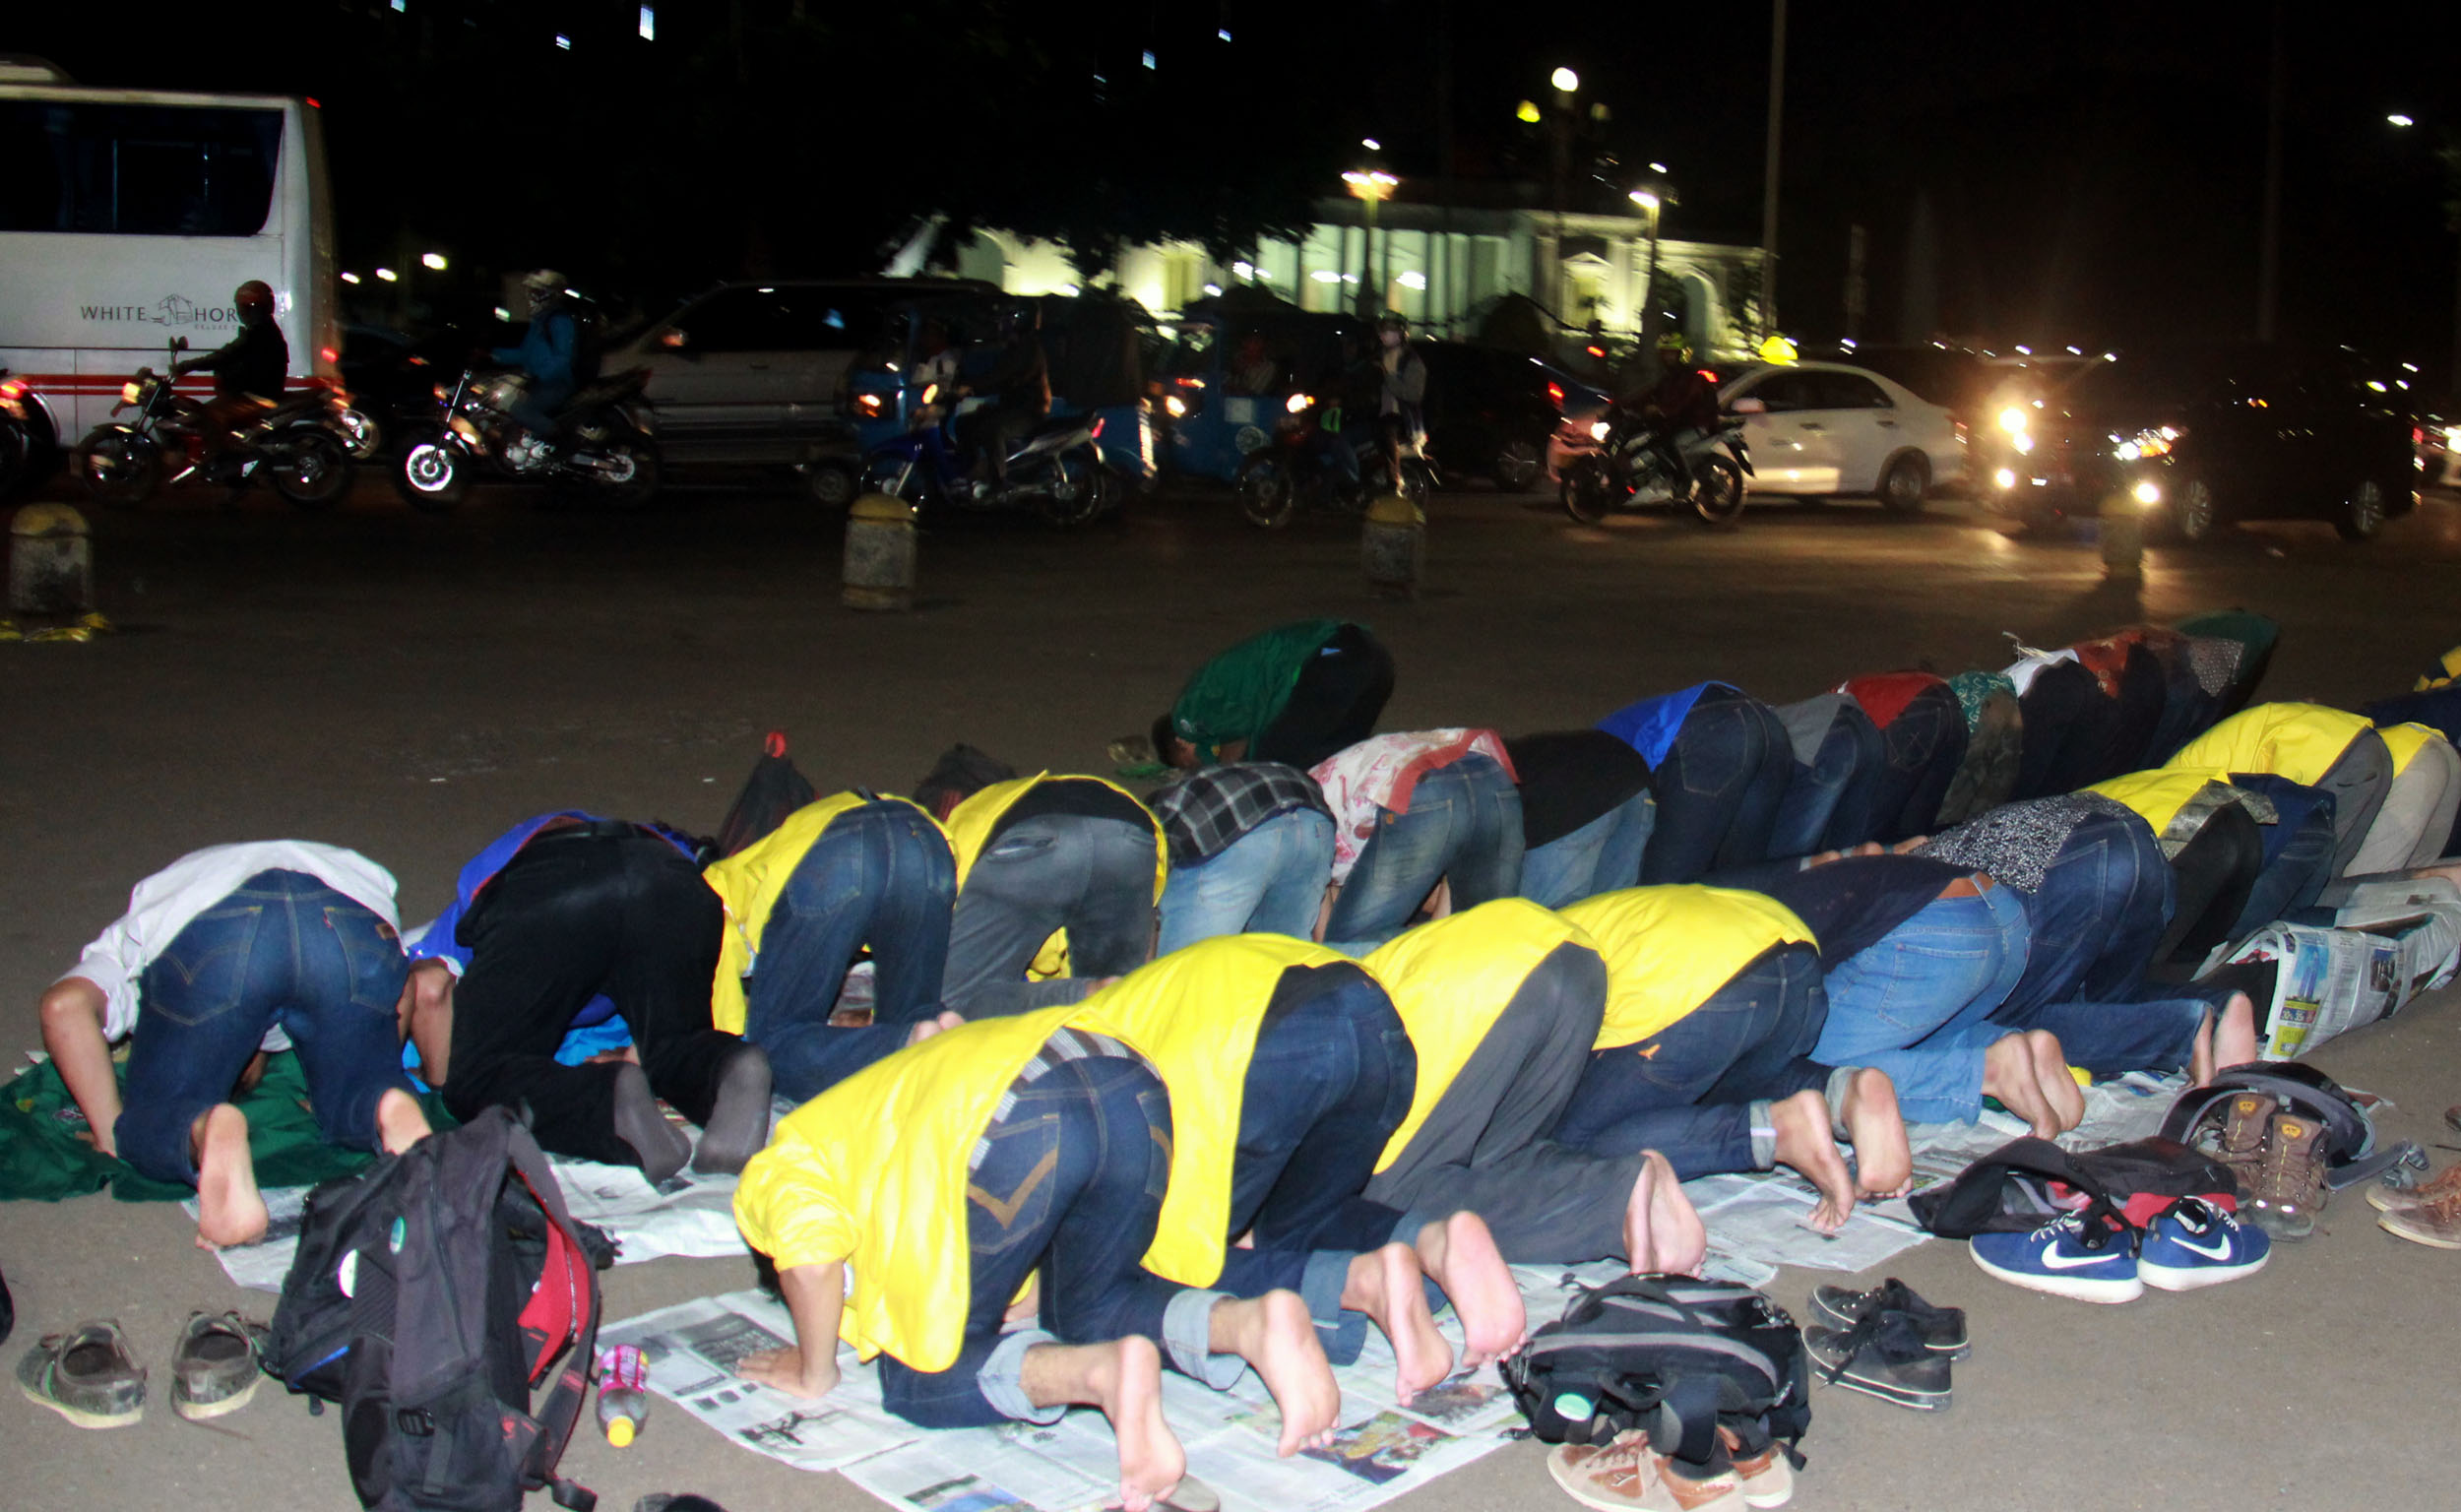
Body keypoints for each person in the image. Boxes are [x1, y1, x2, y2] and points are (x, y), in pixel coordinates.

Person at [731, 1013, 1352, 1512]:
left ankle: (1100, 1374)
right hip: (1125, 1075)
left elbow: (810, 1267)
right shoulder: (871, 1117)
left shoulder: (784, 1159)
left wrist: (813, 1371)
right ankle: (1247, 1323)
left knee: (916, 1376)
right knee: (1091, 1304)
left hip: (1021, 1112)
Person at [37, 842, 431, 1249]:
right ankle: (384, 1104)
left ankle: (206, 1127)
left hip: (219, 923)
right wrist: (375, 1067)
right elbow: (401, 988)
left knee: (161, 1111)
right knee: (361, 1091)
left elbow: (63, 1006)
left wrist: (113, 1134)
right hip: (350, 916)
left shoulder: (135, 943)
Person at [400, 813, 772, 1180]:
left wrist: (441, 1088)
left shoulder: (467, 912)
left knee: (479, 1077)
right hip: (673, 880)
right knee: (674, 1045)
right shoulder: (647, 843)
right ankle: (727, 1068)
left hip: (550, 889)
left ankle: (606, 1109)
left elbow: (429, 987)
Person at [1359, 900, 1707, 1271]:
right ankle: (1633, 1193)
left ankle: (1610, 1202)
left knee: (1388, 1203)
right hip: (1573, 956)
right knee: (1502, 1159)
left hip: (1489, 986)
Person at [1549, 883, 1905, 1231]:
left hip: (1691, 981)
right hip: (1793, 955)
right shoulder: (1559, 922)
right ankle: (1843, 1092)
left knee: (1566, 1155)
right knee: (1720, 1080)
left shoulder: (1524, 954)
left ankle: (1771, 1132)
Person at [700, 791, 959, 1102]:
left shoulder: (712, 886)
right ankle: (939, 1032)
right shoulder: (769, 847)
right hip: (924, 838)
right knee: (915, 1017)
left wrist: (724, 1045)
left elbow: (714, 956)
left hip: (844, 851)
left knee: (775, 1041)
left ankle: (901, 1042)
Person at [919, 754, 1165, 1018]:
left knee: (955, 1004)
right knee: (1116, 1005)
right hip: (1130, 828)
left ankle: (1087, 994)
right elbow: (1149, 922)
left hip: (1033, 838)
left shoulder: (953, 827)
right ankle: (1102, 991)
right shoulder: (1021, 793)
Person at [1314, 729, 1525, 954]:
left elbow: (1323, 949)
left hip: (1417, 785)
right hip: (1491, 777)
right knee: (1479, 933)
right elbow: (1449, 895)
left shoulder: (1309, 816)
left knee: (1348, 947)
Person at [1599, 684, 1794, 882]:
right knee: (1735, 887)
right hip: (1772, 729)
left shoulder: (1595, 751)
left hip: (1714, 730)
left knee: (1665, 888)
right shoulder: (1624, 725)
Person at [1153, 617, 1396, 773]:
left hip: (1333, 656)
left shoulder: (1188, 715)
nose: (1192, 770)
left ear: (1181, 745)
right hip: (1374, 660)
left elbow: (1240, 737)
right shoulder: (1221, 705)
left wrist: (1225, 773)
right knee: (1338, 761)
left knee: (1270, 768)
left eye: (1185, 766)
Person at [1149, 762, 1337, 953]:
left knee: (1190, 961)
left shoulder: (1152, 820)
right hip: (1312, 815)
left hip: (1240, 825)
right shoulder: (1201, 785)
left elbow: (1146, 909)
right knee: (1280, 956)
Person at [1505, 729, 1658, 909]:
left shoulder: (1483, 772)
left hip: (1572, 796)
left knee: (1549, 916)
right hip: (1637, 785)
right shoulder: (1514, 753)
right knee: (1610, 910)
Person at [171, 280, 288, 464]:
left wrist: (187, 366)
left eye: (246, 308)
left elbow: (225, 355)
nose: (243, 312)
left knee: (210, 414)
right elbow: (229, 356)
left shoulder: (259, 333)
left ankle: (219, 461)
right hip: (256, 392)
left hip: (256, 395)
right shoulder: (263, 330)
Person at [960, 302, 1051, 484]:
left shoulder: (1027, 348)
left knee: (993, 429)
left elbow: (999, 375)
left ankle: (998, 482)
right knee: (965, 424)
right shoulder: (1014, 347)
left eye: (1008, 320)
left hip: (1029, 412)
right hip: (1011, 408)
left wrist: (970, 386)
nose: (1002, 325)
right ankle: (971, 472)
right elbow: (999, 380)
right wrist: (969, 387)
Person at [493, 270, 580, 446]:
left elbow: (563, 358)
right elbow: (526, 354)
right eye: (530, 292)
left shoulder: (559, 320)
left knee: (519, 409)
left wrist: (536, 376)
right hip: (539, 381)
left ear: (549, 294)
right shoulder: (540, 320)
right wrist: (495, 355)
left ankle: (561, 441)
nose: (530, 297)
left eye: (536, 292)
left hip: (556, 383)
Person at [1634, 332, 1720, 500]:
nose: (1668, 357)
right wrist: (1623, 405)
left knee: (1673, 444)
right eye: (1665, 353)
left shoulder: (1692, 377)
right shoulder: (1668, 378)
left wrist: (1661, 410)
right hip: (1677, 423)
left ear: (1682, 354)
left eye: (1672, 353)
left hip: (1698, 424)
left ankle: (1686, 482)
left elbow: (1684, 401)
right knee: (1650, 439)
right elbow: (1650, 393)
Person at [1372, 311, 1427, 493]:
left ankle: (1394, 480)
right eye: (1381, 331)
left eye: (1387, 330)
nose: (1382, 335)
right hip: (1377, 411)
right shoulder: (1378, 355)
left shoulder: (1411, 361)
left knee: (1388, 434)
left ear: (1400, 333)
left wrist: (1387, 377)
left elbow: (1413, 393)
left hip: (1401, 417)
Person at [1225, 332, 1282, 397]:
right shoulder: (1236, 359)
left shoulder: (1268, 366)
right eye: (1249, 341)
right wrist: (1235, 371)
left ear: (1263, 345)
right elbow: (1222, 385)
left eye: (1256, 342)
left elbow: (1253, 392)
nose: (1252, 345)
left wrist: (1241, 373)